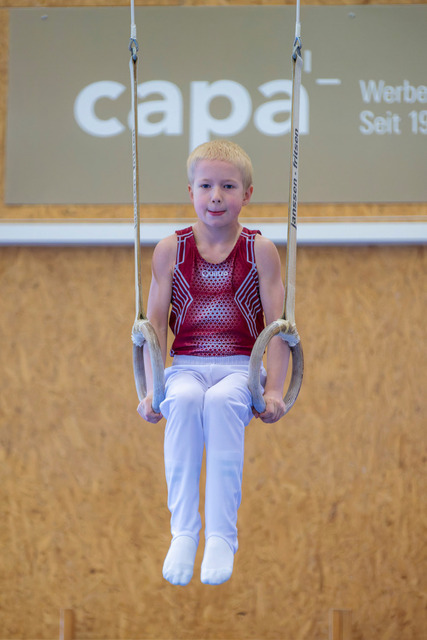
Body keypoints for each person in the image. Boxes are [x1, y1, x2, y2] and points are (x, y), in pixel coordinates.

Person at [137, 139, 290, 586]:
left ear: (248, 193)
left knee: (222, 403)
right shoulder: (170, 250)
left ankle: (222, 536)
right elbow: (153, 328)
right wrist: (150, 389)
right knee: (183, 401)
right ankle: (184, 532)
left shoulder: (260, 251)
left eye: (228, 186)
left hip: (241, 368)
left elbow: (280, 328)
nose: (216, 196)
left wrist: (274, 391)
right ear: (191, 192)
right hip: (185, 366)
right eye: (206, 186)